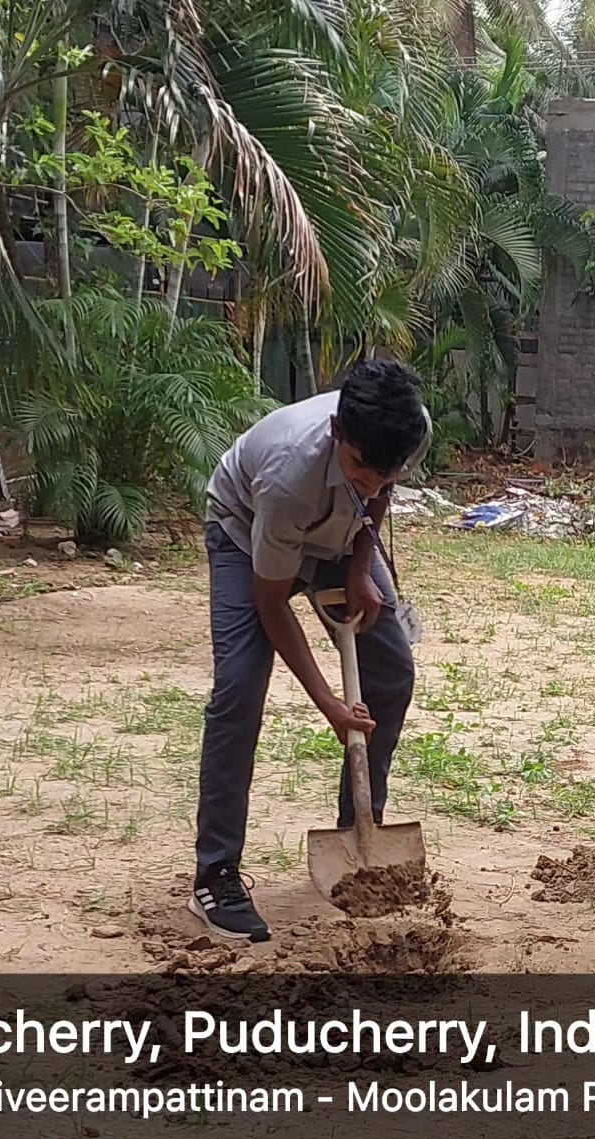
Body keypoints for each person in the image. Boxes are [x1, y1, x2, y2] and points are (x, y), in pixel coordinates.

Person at [192, 360, 431, 941]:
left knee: (392, 671)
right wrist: (328, 703)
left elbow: (378, 493)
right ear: (336, 433)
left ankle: (360, 830)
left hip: (339, 537)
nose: (370, 483)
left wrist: (359, 567)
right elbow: (272, 603)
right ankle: (215, 875)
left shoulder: (406, 432)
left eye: (383, 473)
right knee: (240, 688)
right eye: (358, 469)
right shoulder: (289, 473)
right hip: (246, 530)